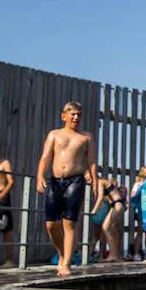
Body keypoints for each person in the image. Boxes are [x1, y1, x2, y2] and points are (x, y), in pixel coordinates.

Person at [36, 102, 97, 276]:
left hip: (75, 180)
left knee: (70, 222)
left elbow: (91, 161)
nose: (76, 117)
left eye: (78, 114)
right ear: (64, 116)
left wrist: (95, 181)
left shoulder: (86, 137)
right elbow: (45, 156)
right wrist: (40, 176)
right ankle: (62, 253)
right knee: (51, 225)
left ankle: (67, 263)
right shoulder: (54, 134)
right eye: (72, 114)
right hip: (55, 181)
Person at [92, 175, 125, 262]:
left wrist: (94, 210)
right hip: (117, 205)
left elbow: (100, 197)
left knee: (106, 228)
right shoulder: (105, 182)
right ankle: (115, 255)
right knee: (111, 229)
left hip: (117, 205)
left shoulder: (100, 182)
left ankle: (113, 255)